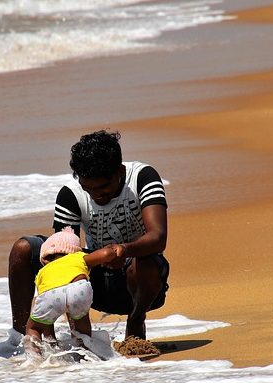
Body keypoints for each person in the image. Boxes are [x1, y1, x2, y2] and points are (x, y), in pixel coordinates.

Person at [9, 130, 169, 341]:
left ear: (120, 171)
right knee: (24, 249)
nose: (96, 195)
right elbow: (63, 262)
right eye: (89, 188)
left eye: (103, 187)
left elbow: (158, 237)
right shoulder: (70, 194)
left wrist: (125, 249)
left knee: (145, 263)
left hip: (140, 281)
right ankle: (23, 339)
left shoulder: (142, 177)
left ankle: (136, 320)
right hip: (93, 279)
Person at [24, 227, 123, 355]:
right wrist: (112, 250)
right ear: (74, 250)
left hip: (50, 295)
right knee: (81, 326)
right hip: (78, 289)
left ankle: (35, 357)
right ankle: (85, 353)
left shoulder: (42, 272)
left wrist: (51, 340)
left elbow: (43, 302)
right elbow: (104, 254)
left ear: (45, 258)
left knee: (34, 327)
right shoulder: (79, 257)